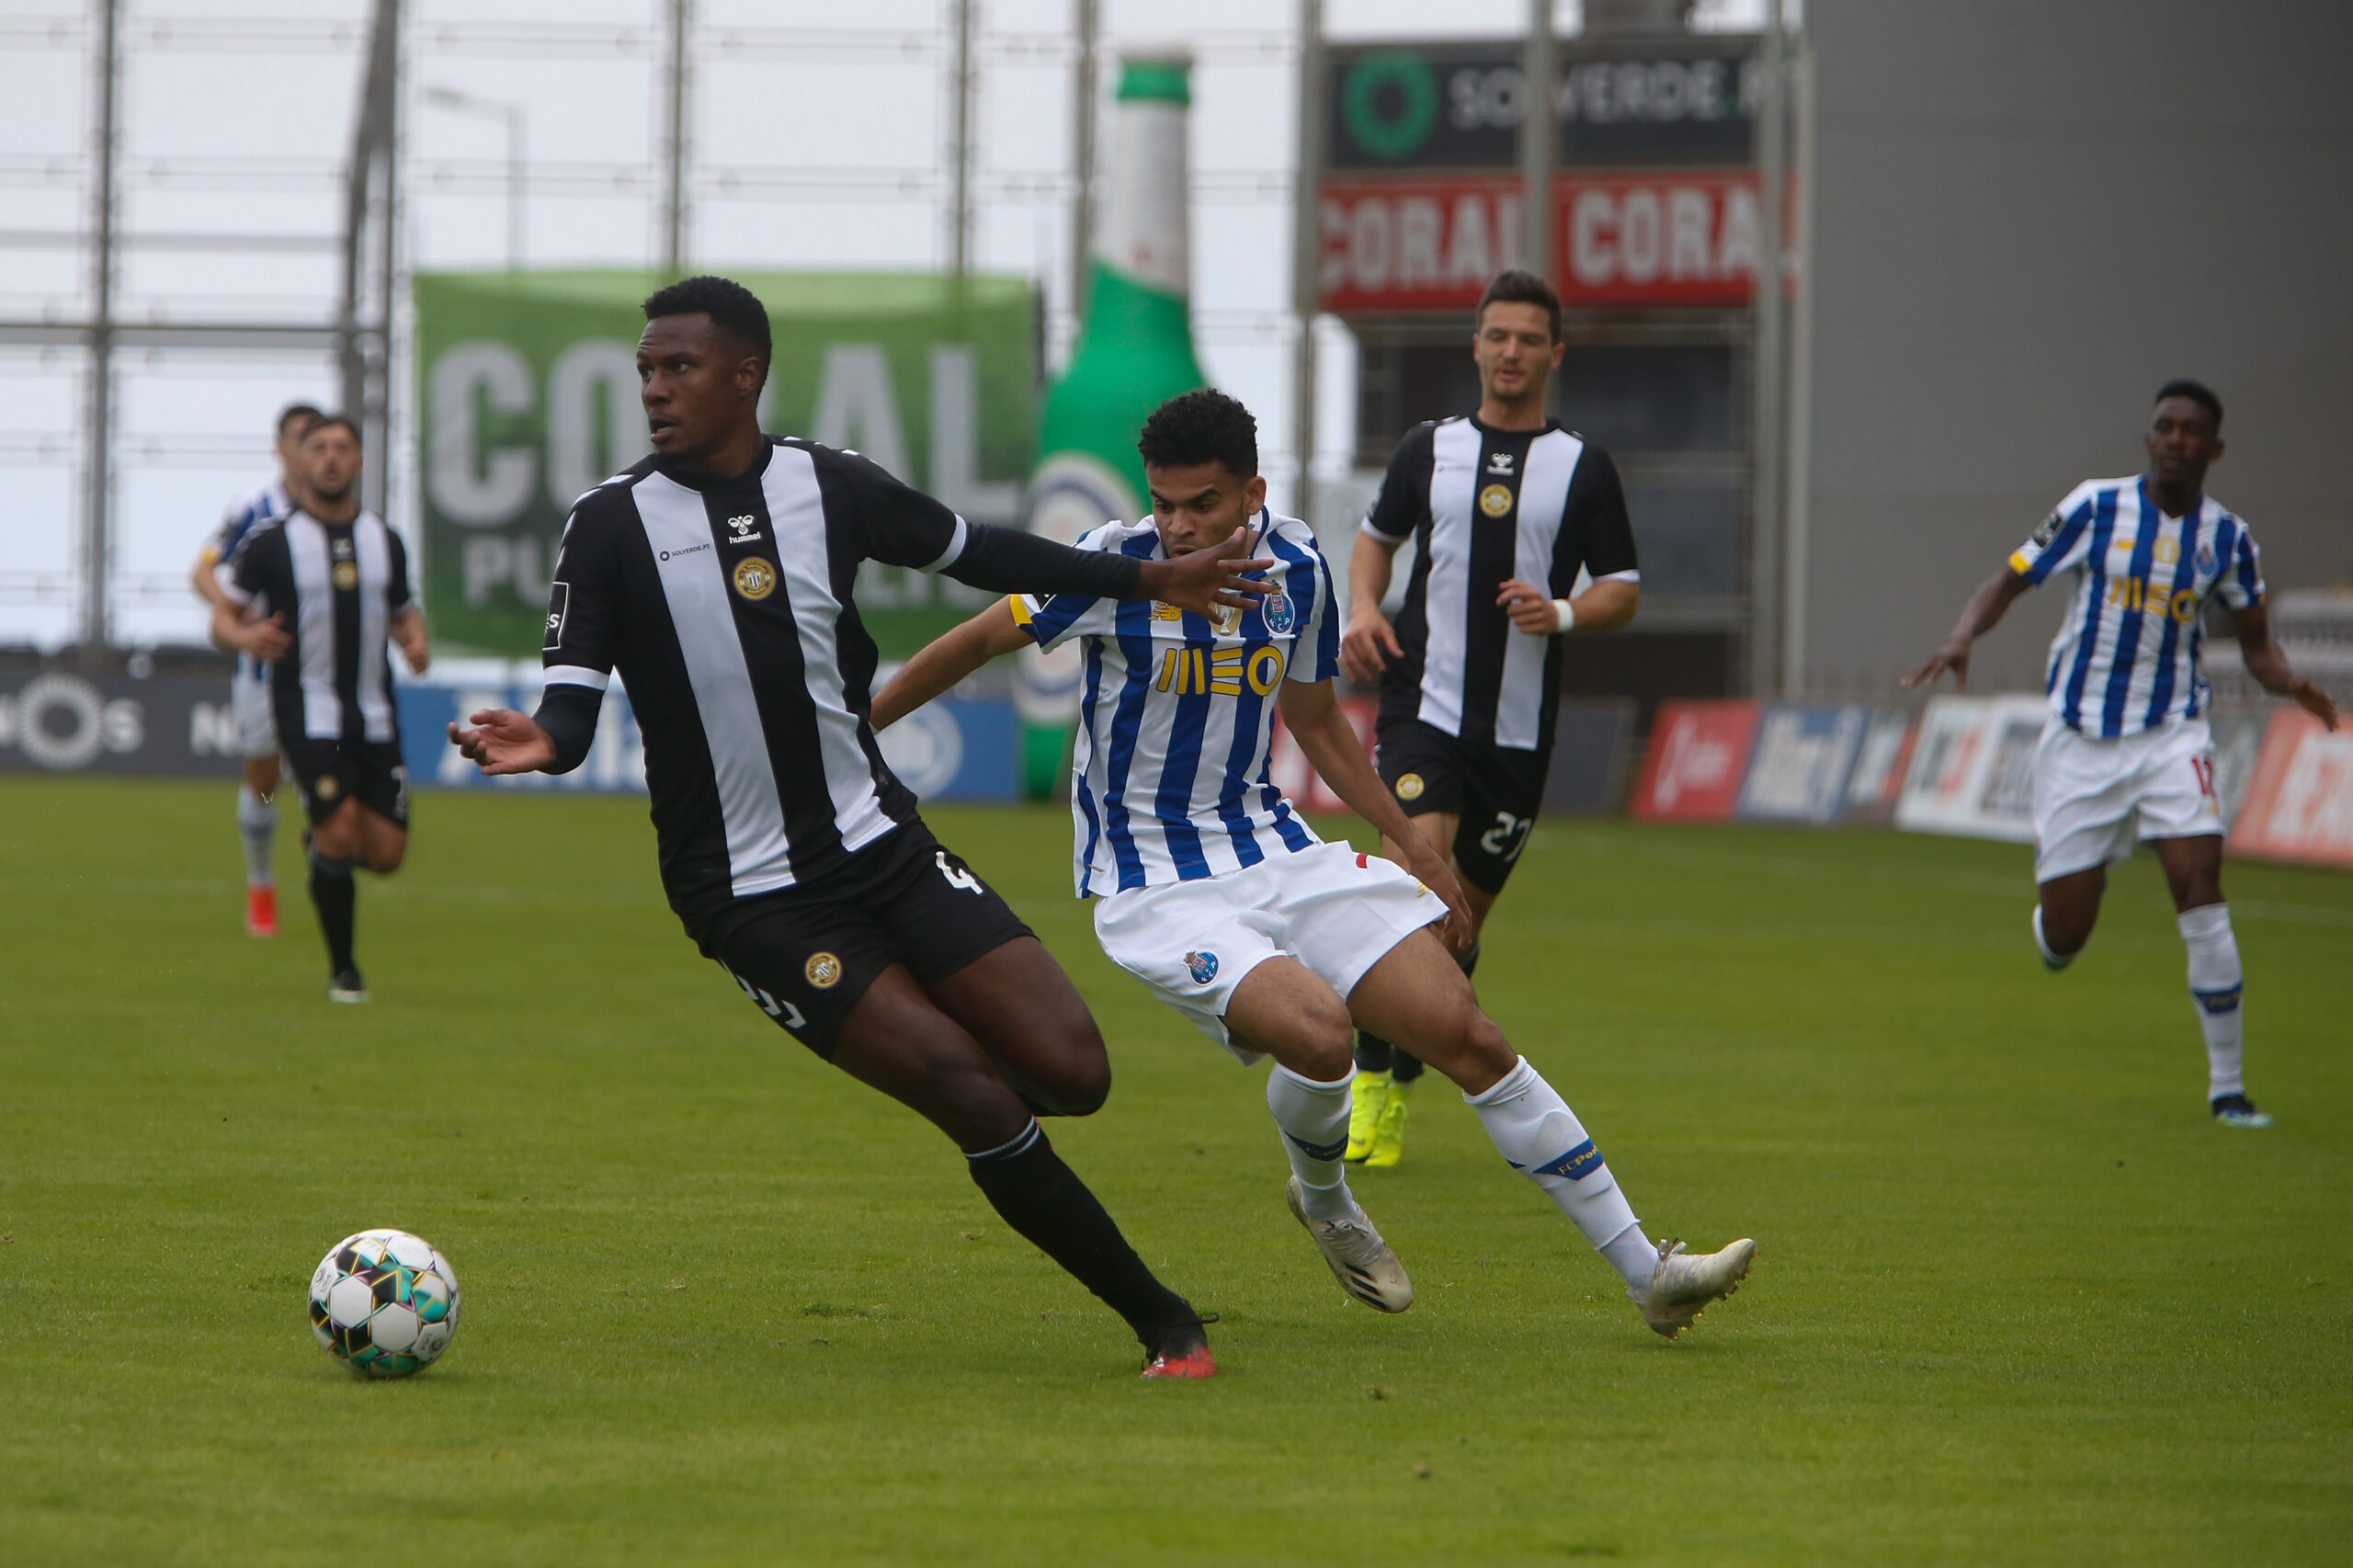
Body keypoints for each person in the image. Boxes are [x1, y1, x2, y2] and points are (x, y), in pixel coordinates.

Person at [447, 276, 1278, 1379]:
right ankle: (1165, 1322)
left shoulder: (828, 484)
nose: (654, 388)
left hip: (881, 842)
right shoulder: (607, 523)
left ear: (745, 374)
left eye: (679, 367)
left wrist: (1150, 577)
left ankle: (990, 1114)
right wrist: (540, 741)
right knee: (968, 1091)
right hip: (751, 895)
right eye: (646, 369)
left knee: (1074, 1071)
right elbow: (570, 707)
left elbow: (984, 551)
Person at [873, 389, 1754, 1339]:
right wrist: (856, 732)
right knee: (1323, 1035)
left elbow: (1317, 720)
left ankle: (1650, 1273)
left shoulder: (1296, 567)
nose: (1177, 526)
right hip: (1153, 882)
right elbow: (978, 639)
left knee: (1467, 1035)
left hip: (1276, 850)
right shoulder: (1110, 566)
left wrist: (1411, 841)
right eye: (1164, 503)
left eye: (1201, 504)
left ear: (1252, 494)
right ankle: (1327, 1201)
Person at [1904, 381, 2338, 1129]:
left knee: (2200, 885)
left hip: (2173, 735)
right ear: (2149, 438)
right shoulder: (2094, 507)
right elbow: (2009, 580)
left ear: (2214, 448)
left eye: (2190, 430)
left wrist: (2294, 684)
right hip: (2080, 742)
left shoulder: (2229, 541)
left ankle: (2229, 1090)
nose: (2175, 439)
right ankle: (2072, 899)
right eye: (2164, 426)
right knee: (2066, 938)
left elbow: (2257, 647)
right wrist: (1959, 637)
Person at [1337, 270, 1642, 1167]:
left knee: (1455, 930)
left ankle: (1401, 1080)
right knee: (1405, 893)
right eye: (1497, 335)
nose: (1511, 352)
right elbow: (1375, 539)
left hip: (1516, 733)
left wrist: (1564, 611)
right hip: (1420, 707)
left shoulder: (1582, 466)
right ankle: (1367, 1085)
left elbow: (1623, 587)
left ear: (1554, 354)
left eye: (1528, 339)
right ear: (1475, 346)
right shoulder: (1428, 449)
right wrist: (1365, 607)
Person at [211, 416, 428, 1003]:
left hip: (375, 714)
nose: (331, 458)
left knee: (387, 854)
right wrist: (245, 637)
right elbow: (222, 618)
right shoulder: (270, 542)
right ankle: (344, 973)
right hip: (305, 713)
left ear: (360, 461)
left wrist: (415, 640)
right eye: (320, 448)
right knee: (337, 829)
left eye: (342, 448)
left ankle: (324, 853)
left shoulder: (385, 539)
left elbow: (404, 611)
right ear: (302, 461)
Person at [192, 402, 322, 937]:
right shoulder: (254, 507)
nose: (313, 452)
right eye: (301, 439)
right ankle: (262, 883)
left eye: (321, 440)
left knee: (326, 776)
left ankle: (328, 876)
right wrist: (238, 619)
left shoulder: (342, 513)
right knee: (265, 782)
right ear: (281, 448)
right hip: (264, 672)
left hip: (327, 674)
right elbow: (203, 569)